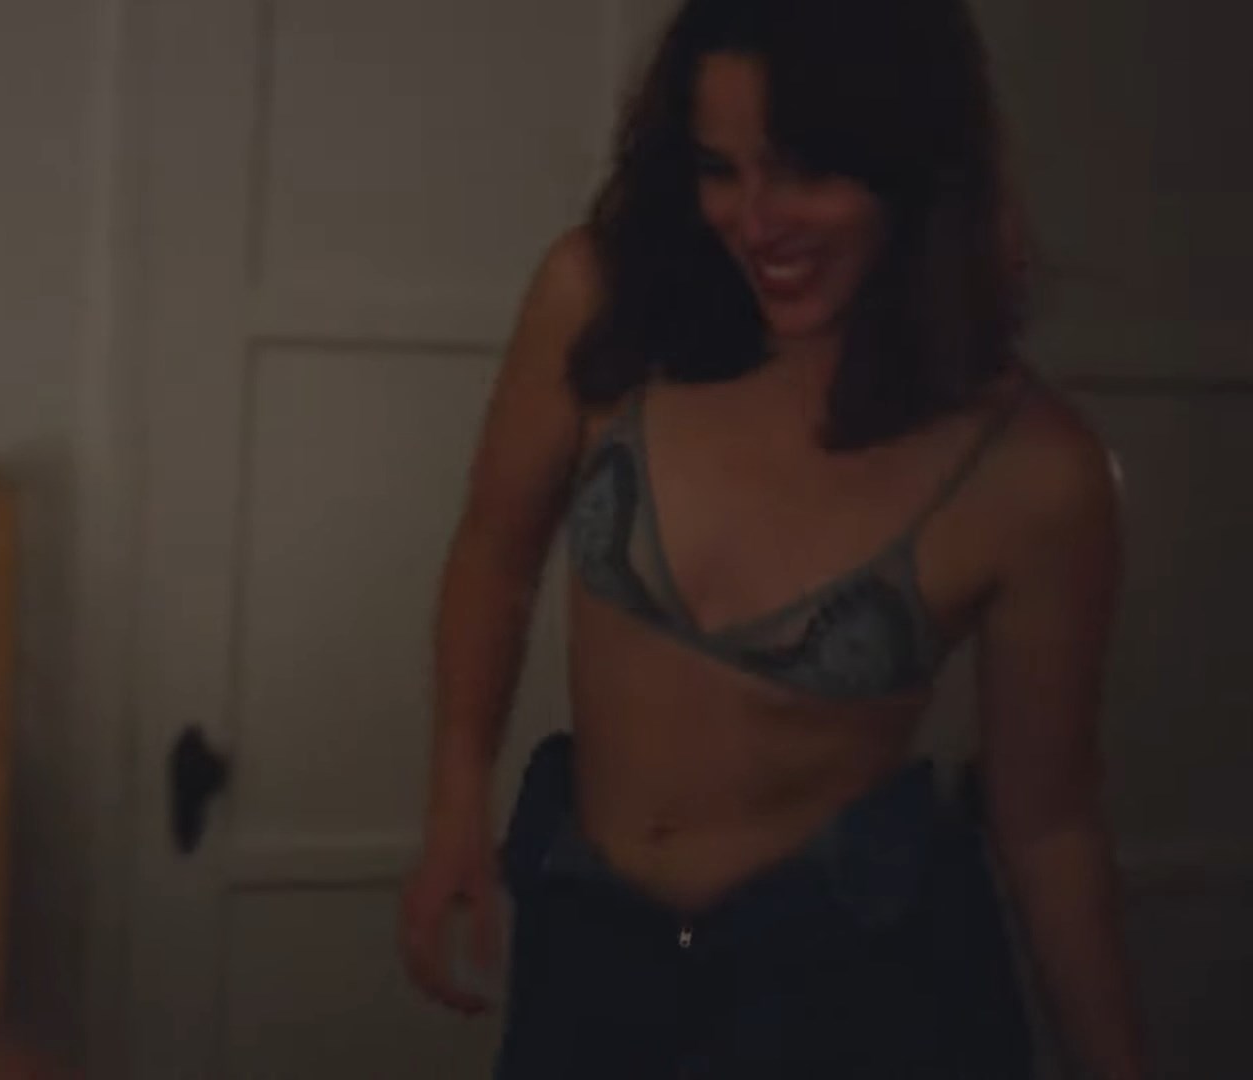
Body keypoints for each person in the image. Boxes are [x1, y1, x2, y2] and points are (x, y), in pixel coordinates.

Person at [398, 0, 1146, 1076]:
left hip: (850, 989)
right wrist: (456, 804)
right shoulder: (601, 299)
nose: (755, 221)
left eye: (805, 171)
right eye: (720, 169)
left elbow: (1050, 826)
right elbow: (495, 557)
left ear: (915, 167)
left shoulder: (1035, 471)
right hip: (594, 954)